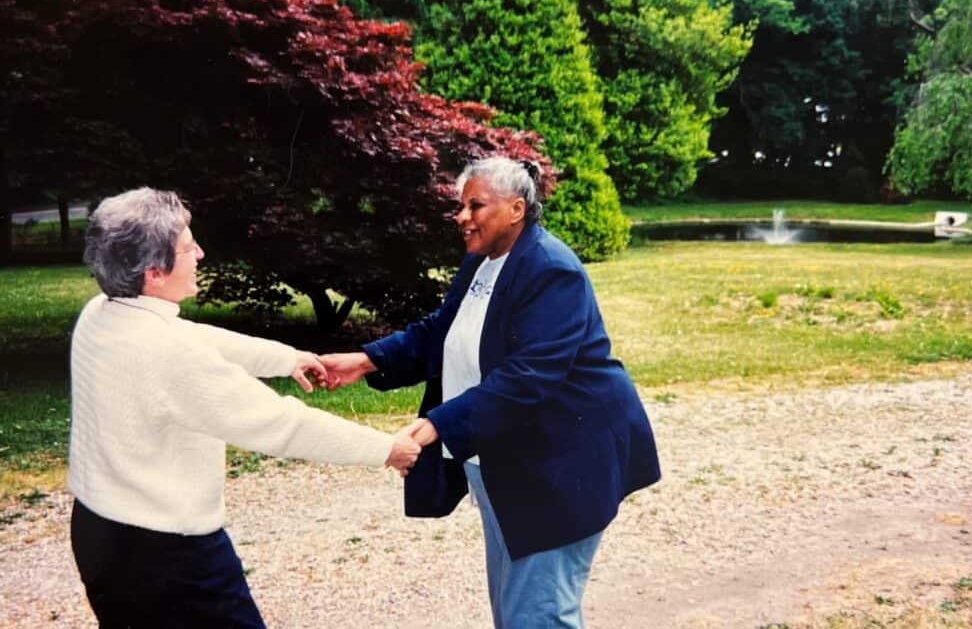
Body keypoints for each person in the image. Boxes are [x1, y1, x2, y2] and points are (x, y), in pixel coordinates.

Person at [319, 156, 661, 628]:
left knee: (538, 614)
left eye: (475, 205)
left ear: (517, 208)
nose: (463, 217)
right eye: (461, 206)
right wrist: (367, 360)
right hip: (505, 461)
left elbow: (528, 377)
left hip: (562, 464)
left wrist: (438, 423)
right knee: (514, 605)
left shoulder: (549, 269)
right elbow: (442, 329)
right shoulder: (484, 261)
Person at [68, 187, 420, 628]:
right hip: (166, 556)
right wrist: (386, 449)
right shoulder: (170, 356)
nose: (199, 251)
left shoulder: (102, 313)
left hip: (99, 531)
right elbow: (281, 424)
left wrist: (285, 358)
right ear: (155, 272)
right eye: (186, 246)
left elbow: (196, 337)